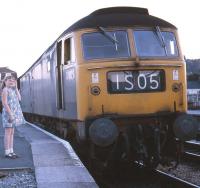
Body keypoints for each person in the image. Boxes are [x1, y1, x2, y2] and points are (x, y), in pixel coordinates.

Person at [1, 74, 25, 159]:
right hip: (8, 114)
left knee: (12, 133)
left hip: (14, 114)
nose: (11, 81)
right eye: (9, 80)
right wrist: (10, 114)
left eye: (13, 80)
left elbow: (20, 99)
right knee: (8, 133)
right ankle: (7, 152)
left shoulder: (13, 90)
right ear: (5, 81)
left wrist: (16, 89)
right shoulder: (5, 90)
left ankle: (11, 151)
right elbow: (4, 103)